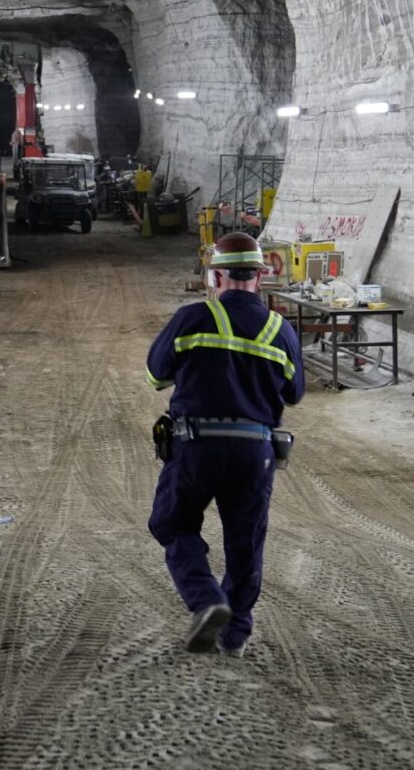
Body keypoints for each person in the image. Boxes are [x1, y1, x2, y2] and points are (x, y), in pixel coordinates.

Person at [144, 231, 304, 656]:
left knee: (173, 523)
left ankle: (207, 601)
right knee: (245, 539)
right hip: (255, 451)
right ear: (260, 275)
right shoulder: (281, 331)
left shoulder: (192, 318)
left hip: (195, 446)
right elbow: (294, 394)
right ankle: (235, 635)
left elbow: (155, 376)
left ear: (214, 276)